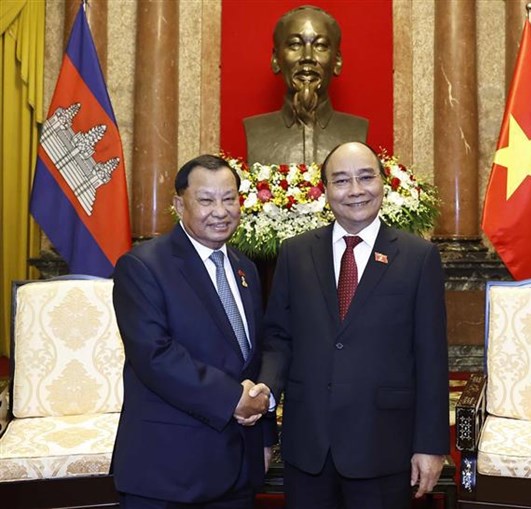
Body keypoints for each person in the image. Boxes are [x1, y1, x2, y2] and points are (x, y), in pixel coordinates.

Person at [257, 142, 450, 508]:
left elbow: (431, 357)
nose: (356, 190)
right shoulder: (295, 253)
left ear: (383, 183)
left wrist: (430, 444)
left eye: (366, 177)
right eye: (342, 180)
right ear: (325, 190)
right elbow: (278, 340)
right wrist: (263, 408)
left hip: (383, 444)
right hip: (309, 444)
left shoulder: (417, 257)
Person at [111, 154, 276, 509]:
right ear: (178, 204)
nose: (220, 210)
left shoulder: (245, 269)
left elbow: (253, 357)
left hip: (237, 469)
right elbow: (155, 356)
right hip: (168, 471)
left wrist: (264, 435)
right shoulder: (142, 266)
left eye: (229, 198)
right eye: (206, 200)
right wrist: (233, 398)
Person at [243, 5, 368, 165]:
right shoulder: (256, 130)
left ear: (337, 61)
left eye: (320, 45)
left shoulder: (356, 130)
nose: (307, 57)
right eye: (295, 45)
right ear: (275, 59)